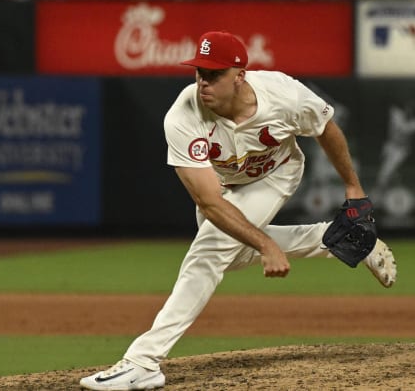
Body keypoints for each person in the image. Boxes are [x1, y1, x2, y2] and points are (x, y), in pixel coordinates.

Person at [79, 30, 396, 391]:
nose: (204, 82)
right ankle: (338, 240)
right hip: (224, 187)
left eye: (214, 75)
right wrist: (264, 244)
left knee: (208, 252)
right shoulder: (183, 116)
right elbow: (209, 202)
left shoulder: (284, 95)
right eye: (199, 72)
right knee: (227, 254)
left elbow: (325, 129)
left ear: (239, 75)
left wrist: (353, 185)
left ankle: (143, 361)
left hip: (275, 174)